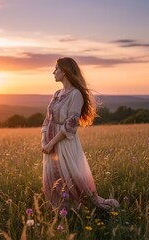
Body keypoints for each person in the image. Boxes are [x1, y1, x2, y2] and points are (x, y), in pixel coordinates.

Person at [41, 57, 119, 211]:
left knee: (71, 178)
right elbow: (47, 119)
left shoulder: (76, 94)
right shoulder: (57, 93)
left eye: (56, 68)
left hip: (64, 142)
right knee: (53, 178)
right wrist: (44, 140)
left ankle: (95, 209)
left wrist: (52, 143)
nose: (53, 72)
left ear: (65, 71)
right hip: (50, 142)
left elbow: (71, 124)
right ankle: (61, 211)